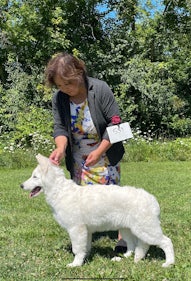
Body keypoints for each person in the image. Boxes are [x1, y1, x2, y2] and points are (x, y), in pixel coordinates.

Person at [45, 52, 127, 252]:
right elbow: (60, 128)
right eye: (60, 86)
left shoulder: (100, 89)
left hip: (105, 153)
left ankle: (123, 239)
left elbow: (116, 124)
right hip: (78, 159)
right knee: (82, 203)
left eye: (68, 84)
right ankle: (83, 242)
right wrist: (61, 147)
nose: (64, 90)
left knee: (113, 199)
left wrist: (99, 151)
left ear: (79, 73)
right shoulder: (60, 99)